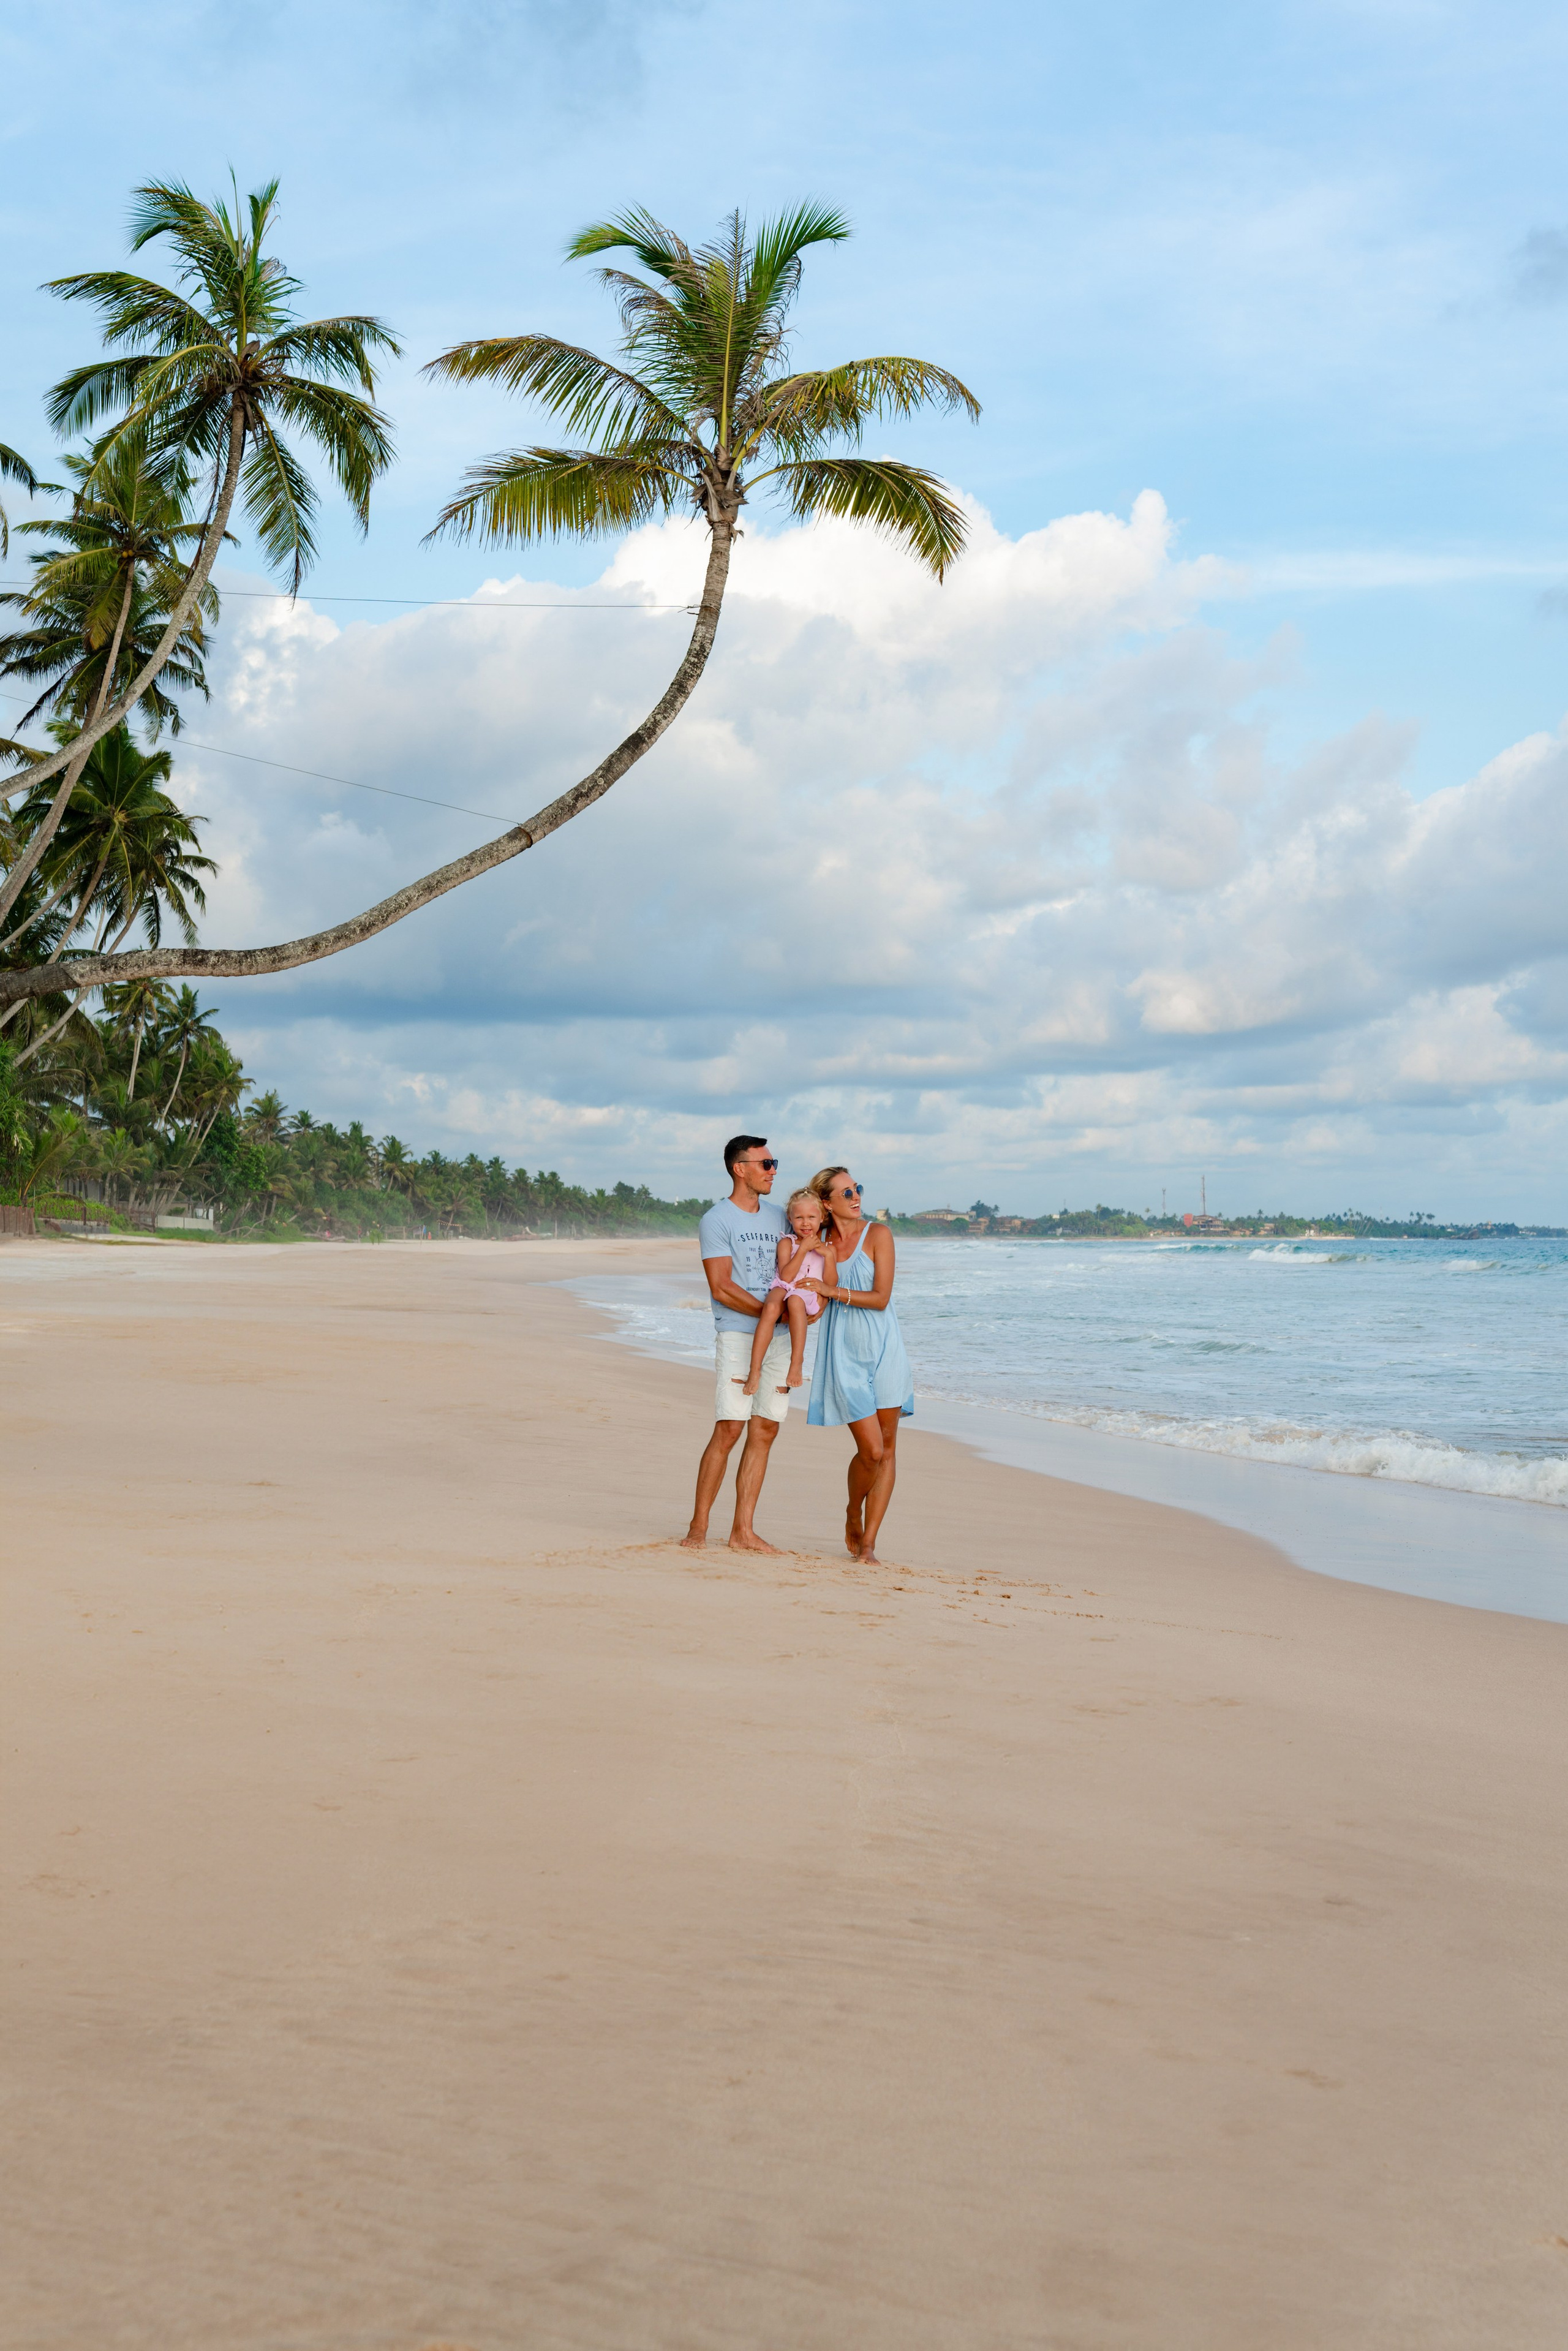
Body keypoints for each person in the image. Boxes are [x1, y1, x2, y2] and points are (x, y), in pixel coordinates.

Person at [681, 1135, 791, 1553]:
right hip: (738, 1335)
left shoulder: (781, 1217)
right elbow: (721, 1286)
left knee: (766, 1429)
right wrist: (771, 1313)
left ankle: (743, 1531)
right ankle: (698, 1527)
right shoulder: (717, 1219)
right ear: (739, 1168)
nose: (773, 1171)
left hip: (780, 1339)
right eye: (766, 1164)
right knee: (730, 1427)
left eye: (774, 1163)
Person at [805, 1164, 914, 1565]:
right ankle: (854, 1510)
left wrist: (831, 1290)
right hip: (843, 1355)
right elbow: (802, 1289)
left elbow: (881, 1298)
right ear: (826, 1203)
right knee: (870, 1450)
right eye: (846, 1193)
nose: (856, 1198)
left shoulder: (879, 1235)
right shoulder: (817, 1242)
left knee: (887, 1449)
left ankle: (868, 1544)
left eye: (857, 1189)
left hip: (886, 1350)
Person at [741, 1188, 838, 1397]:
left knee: (795, 1300)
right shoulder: (787, 1243)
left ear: (822, 1217)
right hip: (784, 1285)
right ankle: (755, 1369)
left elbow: (830, 1285)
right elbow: (785, 1277)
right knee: (771, 1307)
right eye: (799, 1218)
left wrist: (829, 1257)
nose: (805, 1223)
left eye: (811, 1217)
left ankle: (797, 1361)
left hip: (807, 1293)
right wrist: (803, 1249)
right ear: (790, 1218)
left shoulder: (828, 1250)